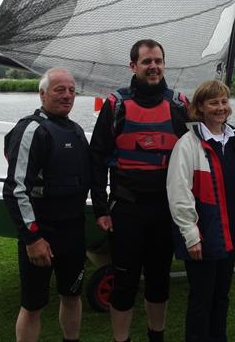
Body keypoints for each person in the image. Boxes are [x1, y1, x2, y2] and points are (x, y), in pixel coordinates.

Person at [90, 39, 189, 342]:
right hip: (127, 210)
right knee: (125, 282)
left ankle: (155, 335)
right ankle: (122, 339)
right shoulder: (116, 105)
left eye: (158, 61)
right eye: (146, 62)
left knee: (159, 281)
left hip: (164, 210)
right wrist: (101, 209)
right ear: (133, 66)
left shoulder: (179, 105)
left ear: (164, 64)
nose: (153, 67)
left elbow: (196, 156)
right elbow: (95, 158)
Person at [166, 79, 235, 342]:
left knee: (222, 296)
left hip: (228, 234)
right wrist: (191, 234)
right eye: (213, 102)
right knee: (201, 298)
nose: (221, 107)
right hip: (204, 235)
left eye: (223, 101)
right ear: (200, 107)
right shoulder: (187, 144)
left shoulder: (234, 141)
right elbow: (178, 192)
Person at [2, 68, 90, 342]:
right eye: (59, 90)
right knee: (33, 305)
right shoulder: (32, 129)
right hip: (42, 233)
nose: (67, 96)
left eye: (72, 90)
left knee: (72, 295)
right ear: (42, 93)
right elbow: (16, 189)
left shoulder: (75, 130)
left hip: (73, 232)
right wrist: (32, 238)